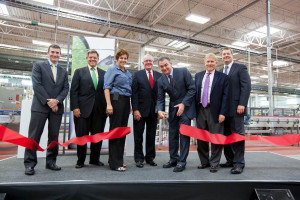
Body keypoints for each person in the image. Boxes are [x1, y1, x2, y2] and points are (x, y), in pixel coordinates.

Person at [24, 44, 69, 175]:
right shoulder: (38, 66)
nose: (55, 55)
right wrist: (49, 101)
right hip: (40, 107)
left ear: (60, 55)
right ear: (47, 53)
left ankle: (51, 162)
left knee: (54, 136)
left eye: (57, 53)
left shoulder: (63, 71)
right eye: (53, 52)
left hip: (57, 108)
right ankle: (29, 164)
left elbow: (66, 88)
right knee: (34, 136)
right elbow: (37, 85)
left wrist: (57, 101)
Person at [157, 57, 196, 172]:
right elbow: (160, 98)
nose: (164, 68)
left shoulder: (183, 71)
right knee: (172, 135)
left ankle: (182, 161)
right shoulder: (161, 80)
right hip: (173, 110)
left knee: (184, 135)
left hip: (185, 108)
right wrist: (160, 110)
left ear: (171, 64)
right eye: (161, 66)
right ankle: (173, 158)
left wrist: (183, 104)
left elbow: (192, 89)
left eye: (166, 65)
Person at [70, 50, 107, 169]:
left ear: (98, 59)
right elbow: (73, 91)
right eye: (90, 57)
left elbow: (106, 92)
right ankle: (80, 161)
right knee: (82, 137)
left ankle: (95, 159)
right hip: (82, 111)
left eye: (95, 58)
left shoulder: (104, 73)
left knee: (97, 137)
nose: (92, 59)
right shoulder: (79, 72)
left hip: (99, 111)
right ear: (87, 58)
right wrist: (75, 107)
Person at [195, 53, 229, 173]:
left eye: (212, 61)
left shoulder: (223, 77)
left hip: (215, 111)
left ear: (216, 63)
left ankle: (214, 163)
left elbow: (226, 97)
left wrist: (222, 113)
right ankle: (204, 161)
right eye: (207, 61)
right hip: (200, 110)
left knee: (216, 138)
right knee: (201, 139)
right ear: (204, 63)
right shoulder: (198, 76)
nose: (209, 64)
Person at [219, 47, 251, 174]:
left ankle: (239, 163)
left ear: (232, 55)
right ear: (221, 57)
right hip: (224, 110)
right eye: (224, 54)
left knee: (237, 136)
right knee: (226, 136)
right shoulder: (221, 71)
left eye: (228, 54)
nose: (226, 56)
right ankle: (230, 160)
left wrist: (242, 103)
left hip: (237, 109)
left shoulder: (240, 68)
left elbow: (246, 86)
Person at [104, 49, 132, 172]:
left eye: (125, 58)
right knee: (115, 131)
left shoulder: (127, 72)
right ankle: (115, 164)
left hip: (126, 101)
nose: (123, 60)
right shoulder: (112, 70)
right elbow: (106, 88)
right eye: (121, 58)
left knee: (122, 131)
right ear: (117, 59)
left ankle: (117, 159)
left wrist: (129, 105)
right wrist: (109, 104)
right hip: (116, 99)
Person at [131, 54, 161, 168]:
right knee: (138, 135)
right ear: (143, 63)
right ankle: (139, 158)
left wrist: (159, 110)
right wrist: (135, 110)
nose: (148, 62)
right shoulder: (137, 75)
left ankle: (150, 158)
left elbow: (160, 95)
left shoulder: (159, 75)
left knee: (151, 135)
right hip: (140, 111)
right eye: (146, 61)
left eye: (150, 61)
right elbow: (134, 94)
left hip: (154, 111)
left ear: (153, 63)